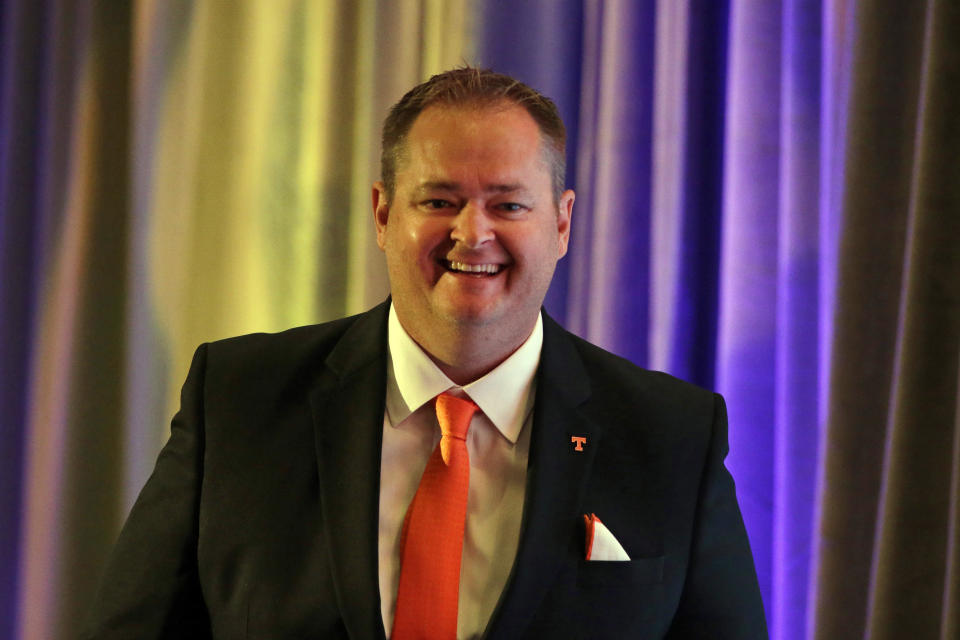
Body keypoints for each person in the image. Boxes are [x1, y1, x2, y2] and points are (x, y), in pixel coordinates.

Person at [85, 68, 767, 639]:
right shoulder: (238, 400)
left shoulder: (672, 435)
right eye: (439, 200)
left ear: (561, 223)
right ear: (383, 215)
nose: (473, 234)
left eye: (508, 206)